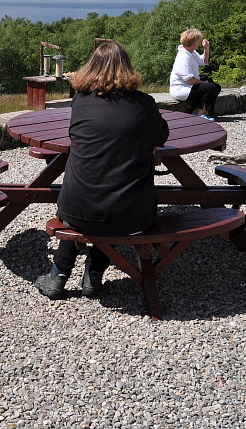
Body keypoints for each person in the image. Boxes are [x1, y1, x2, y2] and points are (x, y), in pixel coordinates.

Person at [34, 40, 170, 300]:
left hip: (75, 209)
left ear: (91, 67)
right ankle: (94, 272)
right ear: (128, 68)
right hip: (132, 215)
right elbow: (162, 134)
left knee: (89, 191)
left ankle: (58, 274)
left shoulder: (81, 101)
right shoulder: (144, 104)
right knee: (116, 194)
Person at [169, 28, 221, 121]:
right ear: (193, 43)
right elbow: (189, 79)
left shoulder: (191, 52)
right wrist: (203, 83)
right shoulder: (183, 56)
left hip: (189, 85)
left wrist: (206, 48)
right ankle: (200, 114)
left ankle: (202, 110)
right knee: (210, 87)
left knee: (215, 86)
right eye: (198, 41)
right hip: (181, 88)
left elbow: (203, 61)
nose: (200, 42)